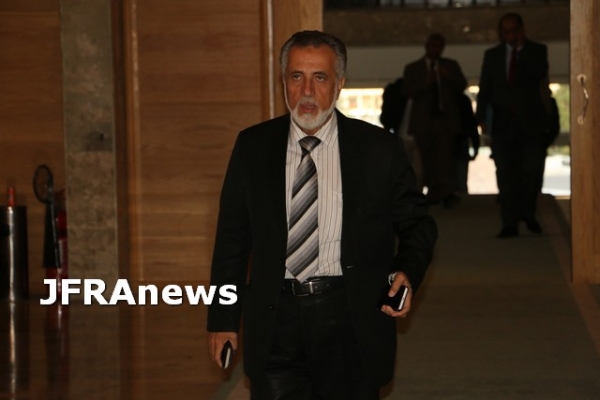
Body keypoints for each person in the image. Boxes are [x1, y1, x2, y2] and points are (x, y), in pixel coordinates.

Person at [207, 30, 437, 399]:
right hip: (275, 320)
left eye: (320, 78)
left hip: (350, 317)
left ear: (339, 83)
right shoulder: (253, 147)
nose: (307, 91)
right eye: (297, 76)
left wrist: (407, 270)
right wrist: (223, 319)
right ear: (284, 81)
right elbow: (231, 241)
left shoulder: (379, 149)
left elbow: (417, 224)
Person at [476, 13, 551, 238]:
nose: (509, 35)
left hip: (531, 124)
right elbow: (485, 88)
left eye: (513, 31)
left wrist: (520, 50)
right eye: (505, 32)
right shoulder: (492, 56)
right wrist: (481, 118)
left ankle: (527, 212)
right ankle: (509, 221)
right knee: (506, 175)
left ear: (521, 30)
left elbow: (539, 73)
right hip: (503, 125)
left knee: (531, 171)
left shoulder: (537, 51)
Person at [402, 33, 468, 208]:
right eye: (433, 46)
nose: (435, 50)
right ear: (426, 46)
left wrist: (447, 76)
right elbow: (407, 91)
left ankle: (447, 192)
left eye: (439, 47)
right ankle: (433, 191)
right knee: (427, 159)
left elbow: (462, 85)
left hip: (446, 121)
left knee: (446, 158)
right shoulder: (413, 68)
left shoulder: (450, 66)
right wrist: (426, 82)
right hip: (423, 122)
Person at [455, 92, 480, 194]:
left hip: (458, 143)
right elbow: (471, 123)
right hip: (460, 143)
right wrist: (476, 145)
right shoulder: (463, 100)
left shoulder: (461, 100)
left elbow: (471, 123)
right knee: (461, 180)